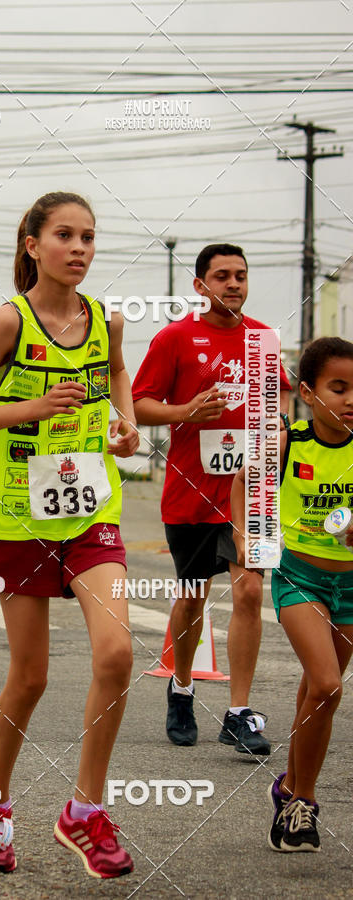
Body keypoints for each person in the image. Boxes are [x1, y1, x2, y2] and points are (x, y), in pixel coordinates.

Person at [0, 191, 139, 879]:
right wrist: (31, 405)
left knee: (116, 653)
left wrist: (125, 420)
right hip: (18, 520)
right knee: (30, 677)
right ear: (32, 245)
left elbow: (115, 373)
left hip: (90, 514)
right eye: (64, 235)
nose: (79, 249)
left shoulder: (107, 319)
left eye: (88, 237)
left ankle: (83, 811)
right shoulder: (7, 322)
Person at [133, 243, 291, 753]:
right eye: (222, 276)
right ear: (200, 286)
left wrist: (282, 430)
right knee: (194, 596)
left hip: (254, 494)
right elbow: (139, 405)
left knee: (248, 591)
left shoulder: (263, 340)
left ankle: (239, 714)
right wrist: (184, 411)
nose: (234, 284)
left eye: (241, 275)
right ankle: (182, 687)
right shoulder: (175, 337)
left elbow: (281, 403)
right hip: (191, 494)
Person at [232, 336, 353, 852]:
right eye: (339, 387)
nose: (350, 398)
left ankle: (286, 787)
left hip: (350, 583)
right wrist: (245, 540)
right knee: (328, 686)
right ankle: (303, 800)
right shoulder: (286, 442)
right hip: (299, 576)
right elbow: (243, 484)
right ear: (307, 392)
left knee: (316, 692)